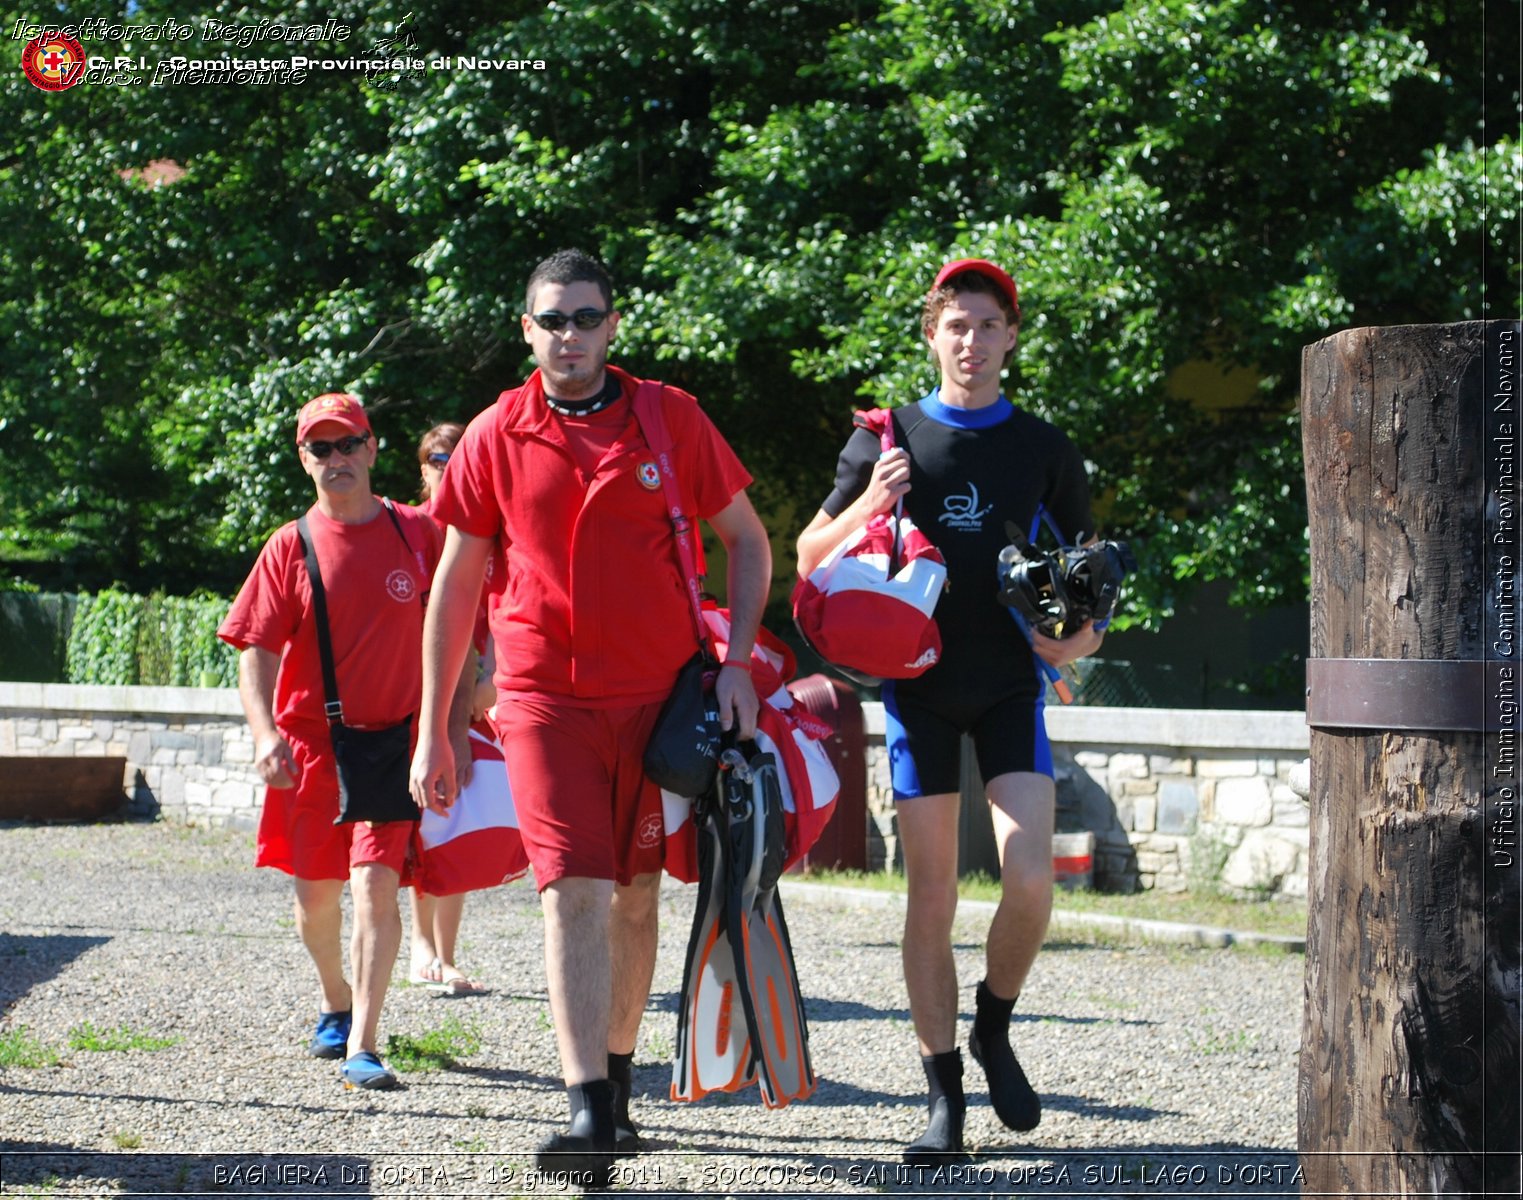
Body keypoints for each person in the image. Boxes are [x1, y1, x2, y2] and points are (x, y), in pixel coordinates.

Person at [409, 248, 771, 1182]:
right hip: (541, 701)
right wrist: (434, 724)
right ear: (526, 331)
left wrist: (735, 666)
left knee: (636, 896)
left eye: (584, 316)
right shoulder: (495, 432)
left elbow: (748, 543)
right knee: (569, 889)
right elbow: (454, 586)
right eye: (550, 320)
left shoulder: (670, 418)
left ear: (613, 325)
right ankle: (587, 1111)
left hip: (656, 703)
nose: (568, 335)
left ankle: (615, 1082)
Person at [795, 259, 1104, 1163]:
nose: (970, 342)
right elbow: (809, 557)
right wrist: (869, 502)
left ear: (1011, 336)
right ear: (932, 334)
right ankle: (942, 1095)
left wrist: (1078, 643)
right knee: (928, 896)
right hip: (916, 689)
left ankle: (993, 1025)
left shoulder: (1043, 447)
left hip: (1010, 682)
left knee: (1031, 880)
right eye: (954, 325)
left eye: (987, 325)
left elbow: (1087, 582)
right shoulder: (888, 437)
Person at [219, 392, 444, 1091]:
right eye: (322, 448)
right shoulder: (291, 544)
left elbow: (467, 628)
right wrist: (264, 734)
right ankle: (334, 999)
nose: (337, 458)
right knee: (315, 900)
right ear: (303, 459)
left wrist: (454, 722)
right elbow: (253, 648)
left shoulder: (420, 535)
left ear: (373, 449)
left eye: (349, 444)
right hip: (314, 746)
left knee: (376, 888)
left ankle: (365, 1045)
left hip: (396, 746)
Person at [406, 422, 491, 997]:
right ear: (422, 467)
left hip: (478, 683)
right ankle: (421, 947)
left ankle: (447, 953)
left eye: (461, 456)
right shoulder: (412, 527)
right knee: (425, 820)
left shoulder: (486, 523)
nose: (451, 465)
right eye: (440, 457)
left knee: (456, 814)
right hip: (422, 687)